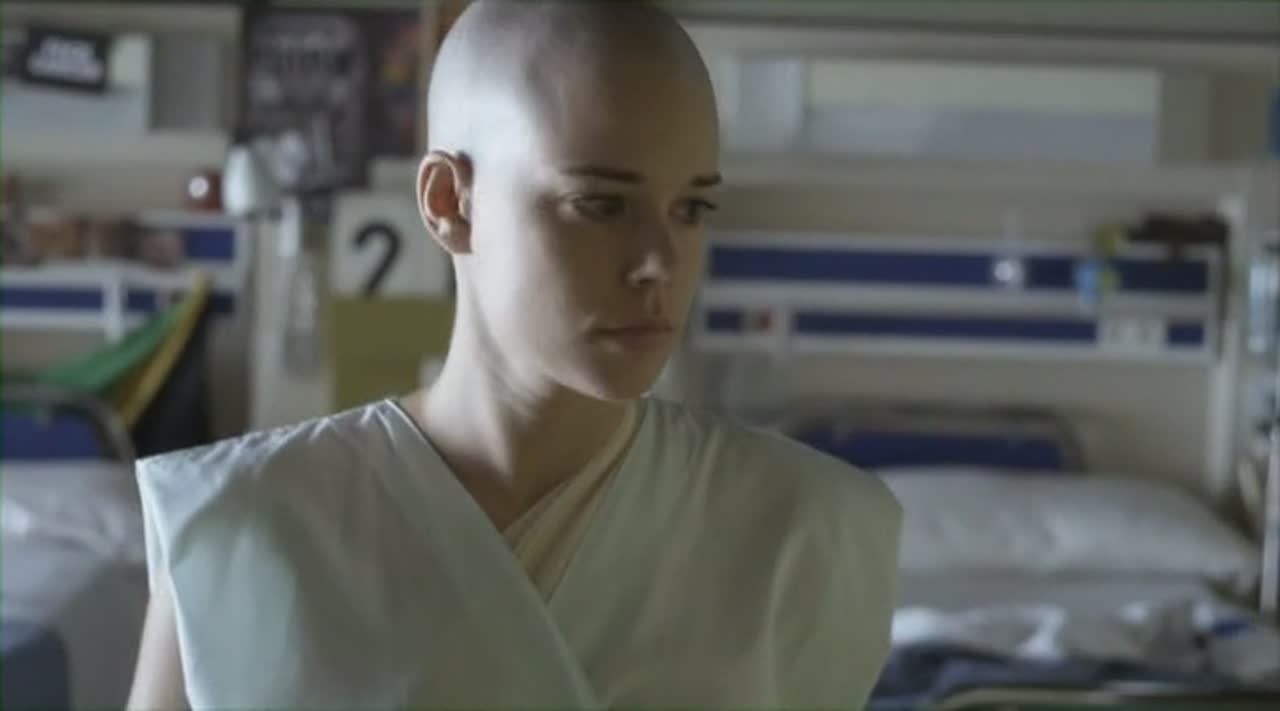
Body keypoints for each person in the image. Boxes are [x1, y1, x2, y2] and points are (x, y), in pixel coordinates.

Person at [126, 1, 902, 708]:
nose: (659, 263)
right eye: (600, 204)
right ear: (449, 203)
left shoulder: (803, 532)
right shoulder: (241, 533)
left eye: (692, 208)